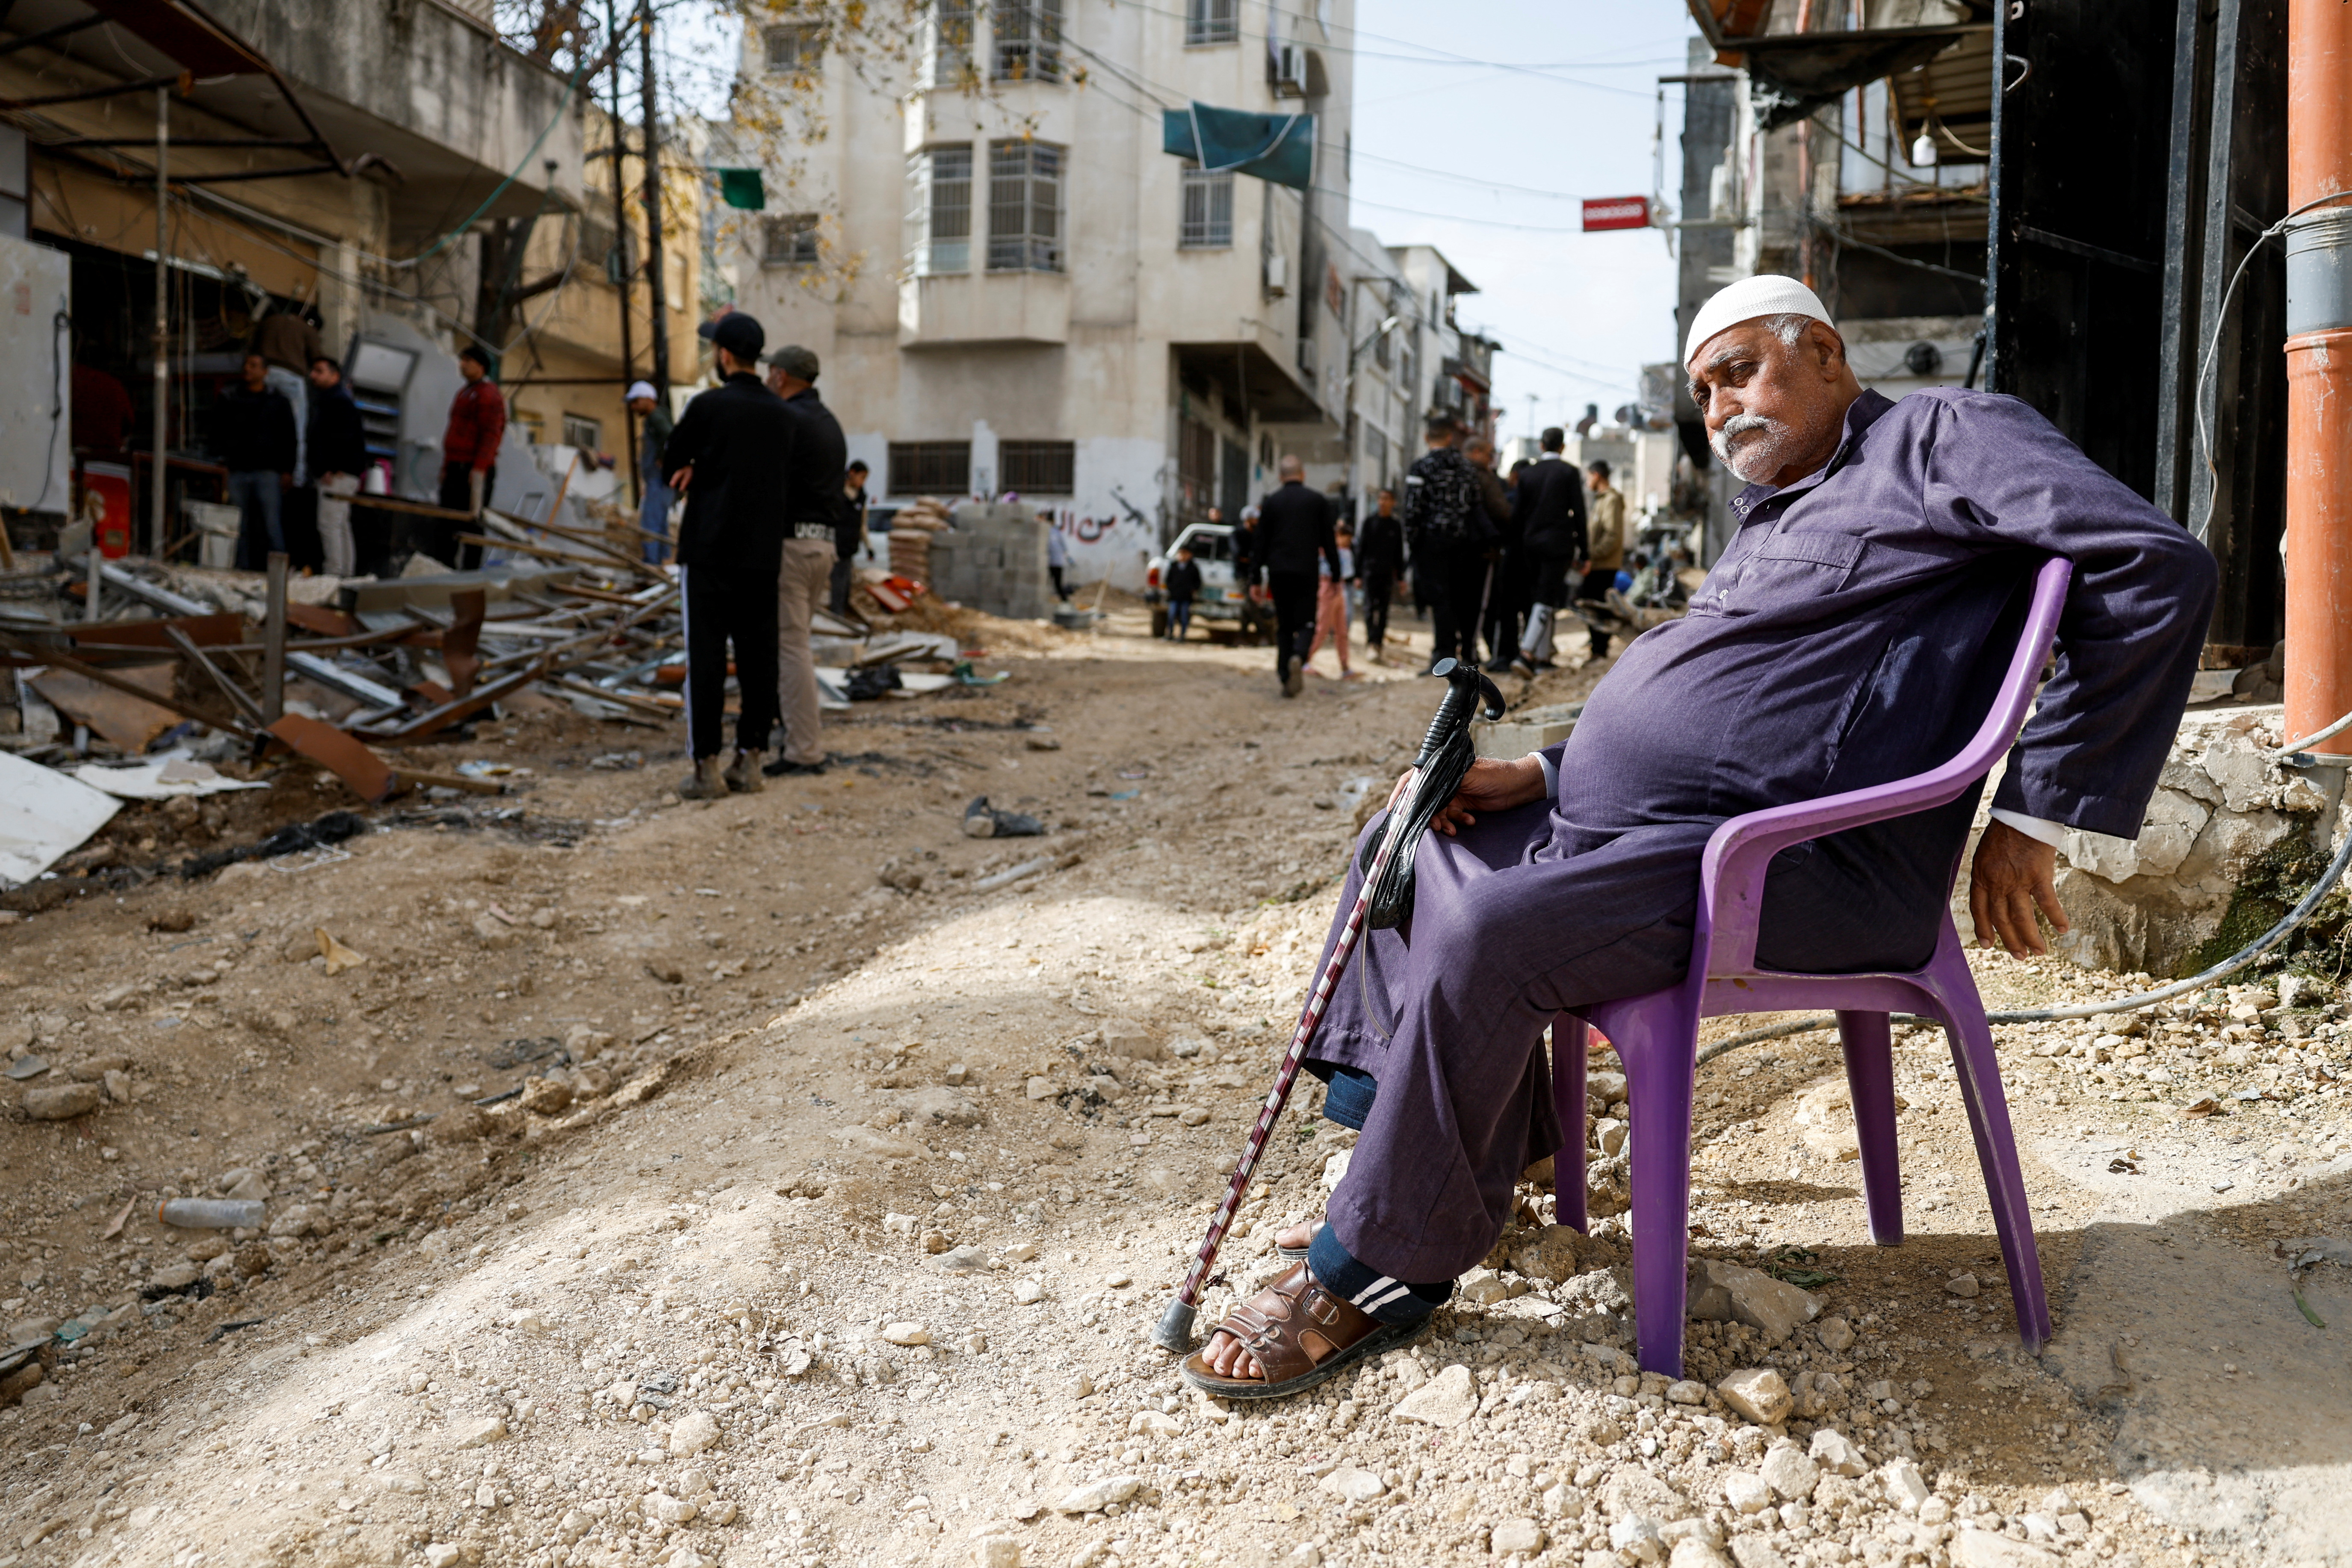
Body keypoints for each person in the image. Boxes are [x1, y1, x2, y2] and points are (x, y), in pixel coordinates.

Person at [1181, 274, 2218, 1399]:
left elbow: (2154, 564)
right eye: (1702, 392)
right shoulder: (1773, 506)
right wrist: (1535, 770)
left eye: (1739, 373)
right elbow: (1723, 702)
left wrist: (2031, 810)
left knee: (1494, 925)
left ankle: (1372, 1264)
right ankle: (1440, 1149)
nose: (1720, 406)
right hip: (1654, 837)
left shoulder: (1941, 435)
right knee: (1410, 829)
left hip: (1796, 866)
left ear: (1822, 351)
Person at [660, 312, 791, 797]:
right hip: (762, 554)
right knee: (759, 657)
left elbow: (671, 463)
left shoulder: (707, 407)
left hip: (709, 549)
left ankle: (706, 767)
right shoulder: (783, 416)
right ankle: (751, 760)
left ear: (724, 355)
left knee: (707, 657)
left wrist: (694, 466)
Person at [763, 343, 848, 778]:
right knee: (797, 645)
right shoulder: (828, 422)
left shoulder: (788, 421)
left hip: (793, 547)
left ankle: (803, 750)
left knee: (792, 648)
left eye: (769, 373)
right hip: (821, 546)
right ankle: (796, 736)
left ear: (780, 376)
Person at [1400, 414, 1487, 672]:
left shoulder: (1421, 467)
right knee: (1462, 598)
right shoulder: (1467, 467)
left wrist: (1412, 543)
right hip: (1462, 543)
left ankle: (1444, 656)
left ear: (1428, 438)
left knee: (1440, 600)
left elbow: (1412, 509)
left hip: (1431, 543)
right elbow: (1475, 506)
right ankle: (1467, 652)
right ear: (1451, 437)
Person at [1254, 455, 1342, 697]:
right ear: (1303, 475)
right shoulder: (1317, 501)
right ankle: (1298, 656)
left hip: (1278, 571)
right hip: (1306, 570)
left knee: (1284, 626)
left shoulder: (1271, 502)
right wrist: (1336, 574)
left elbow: (1260, 543)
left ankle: (1285, 676)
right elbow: (1329, 541)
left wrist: (1254, 579)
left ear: (1281, 477)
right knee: (1306, 623)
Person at [1510, 427, 1588, 674]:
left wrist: (1514, 547)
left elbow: (1517, 515)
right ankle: (1526, 654)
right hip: (1559, 544)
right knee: (1547, 597)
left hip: (1530, 544)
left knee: (1539, 596)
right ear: (1563, 447)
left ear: (1541, 446)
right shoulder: (1569, 472)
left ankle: (1542, 658)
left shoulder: (1528, 474)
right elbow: (1579, 513)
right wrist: (1585, 551)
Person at [215, 351, 296, 568]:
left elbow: (289, 437)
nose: (248, 369)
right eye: (246, 365)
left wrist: (288, 470)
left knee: (272, 524)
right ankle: (240, 568)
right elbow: (220, 434)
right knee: (237, 526)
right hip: (237, 469)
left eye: (254, 365)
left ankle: (280, 572)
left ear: (265, 371)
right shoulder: (232, 398)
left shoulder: (277, 402)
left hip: (268, 471)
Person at [439, 344, 505, 568]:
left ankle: (470, 574)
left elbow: (491, 435)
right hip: (456, 465)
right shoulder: (465, 393)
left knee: (472, 522)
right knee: (448, 521)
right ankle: (445, 568)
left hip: (473, 468)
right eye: (462, 360)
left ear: (481, 366)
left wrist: (479, 468)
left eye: (469, 361)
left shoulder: (489, 395)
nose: (463, 365)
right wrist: (446, 467)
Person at [306, 355, 368, 578]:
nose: (314, 376)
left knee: (330, 524)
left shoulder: (337, 401)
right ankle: (344, 574)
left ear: (335, 376)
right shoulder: (332, 399)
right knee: (340, 524)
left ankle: (334, 574)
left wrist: (331, 468)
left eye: (320, 371)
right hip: (342, 472)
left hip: (338, 475)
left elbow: (341, 437)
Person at [1465, 436, 1519, 664]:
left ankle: (1468, 651)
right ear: (1476, 452)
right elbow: (1501, 511)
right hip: (1483, 549)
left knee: (1465, 602)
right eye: (1489, 454)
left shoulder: (1456, 474)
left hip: (1458, 549)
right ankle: (1472, 653)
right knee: (1483, 604)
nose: (1491, 459)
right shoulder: (1482, 477)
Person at [253, 305, 322, 484]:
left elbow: (252, 348)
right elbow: (318, 361)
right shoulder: (308, 330)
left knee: (260, 425)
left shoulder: (270, 321)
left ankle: (257, 471)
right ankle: (296, 479)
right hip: (291, 378)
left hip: (264, 375)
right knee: (297, 429)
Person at [1577, 459, 1629, 662]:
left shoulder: (1611, 499)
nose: (1587, 481)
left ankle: (1600, 649)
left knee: (1598, 607)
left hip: (1604, 565)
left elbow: (1612, 536)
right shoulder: (1601, 499)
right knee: (1591, 604)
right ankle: (1597, 647)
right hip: (1598, 563)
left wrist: (1592, 555)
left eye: (1588, 476)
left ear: (1596, 475)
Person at [627, 381, 674, 566]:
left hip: (659, 480)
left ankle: (652, 563)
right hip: (659, 481)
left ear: (648, 399)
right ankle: (660, 560)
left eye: (636, 401)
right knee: (659, 522)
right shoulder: (656, 418)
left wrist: (663, 457)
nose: (634, 407)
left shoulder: (656, 418)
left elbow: (670, 436)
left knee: (650, 523)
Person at [1355, 488, 1404, 663]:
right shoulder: (1369, 522)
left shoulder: (1395, 525)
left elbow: (1399, 553)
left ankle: (1378, 643)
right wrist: (1358, 574)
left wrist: (1401, 577)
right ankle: (1371, 642)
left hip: (1387, 574)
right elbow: (1361, 549)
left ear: (1393, 502)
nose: (1383, 502)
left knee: (1383, 610)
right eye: (1380, 499)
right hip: (1370, 572)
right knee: (1369, 609)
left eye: (1386, 499)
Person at [1304, 522, 1359, 679]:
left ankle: (1345, 667)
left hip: (1339, 589)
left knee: (1342, 631)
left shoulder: (1345, 552)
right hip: (1327, 587)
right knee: (1322, 628)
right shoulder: (1324, 550)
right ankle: (1304, 660)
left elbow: (1347, 572)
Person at [70, 363, 133, 454]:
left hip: (79, 451)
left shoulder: (75, 379)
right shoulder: (114, 385)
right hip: (111, 453)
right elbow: (129, 422)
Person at [836, 460, 869, 614]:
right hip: (836, 545)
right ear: (852, 473)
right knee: (837, 583)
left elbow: (862, 524)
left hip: (849, 547)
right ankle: (836, 614)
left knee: (846, 584)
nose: (862, 483)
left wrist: (869, 547)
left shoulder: (861, 497)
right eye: (861, 477)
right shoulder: (838, 492)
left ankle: (842, 612)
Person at [1164, 542, 1201, 641]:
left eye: (1185, 553)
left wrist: (1192, 590)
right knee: (1171, 615)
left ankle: (1182, 636)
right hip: (1174, 596)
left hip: (1186, 597)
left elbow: (1198, 582)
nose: (1183, 556)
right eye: (1181, 553)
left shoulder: (1193, 568)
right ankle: (1169, 634)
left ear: (1190, 555)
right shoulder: (1174, 566)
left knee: (1184, 617)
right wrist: (1171, 589)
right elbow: (1168, 580)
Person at [1047, 521, 1071, 601]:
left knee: (1057, 584)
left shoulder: (1054, 533)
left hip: (1055, 563)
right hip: (1052, 562)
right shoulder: (1055, 533)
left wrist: (1069, 559)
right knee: (1049, 584)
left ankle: (1065, 601)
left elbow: (1064, 548)